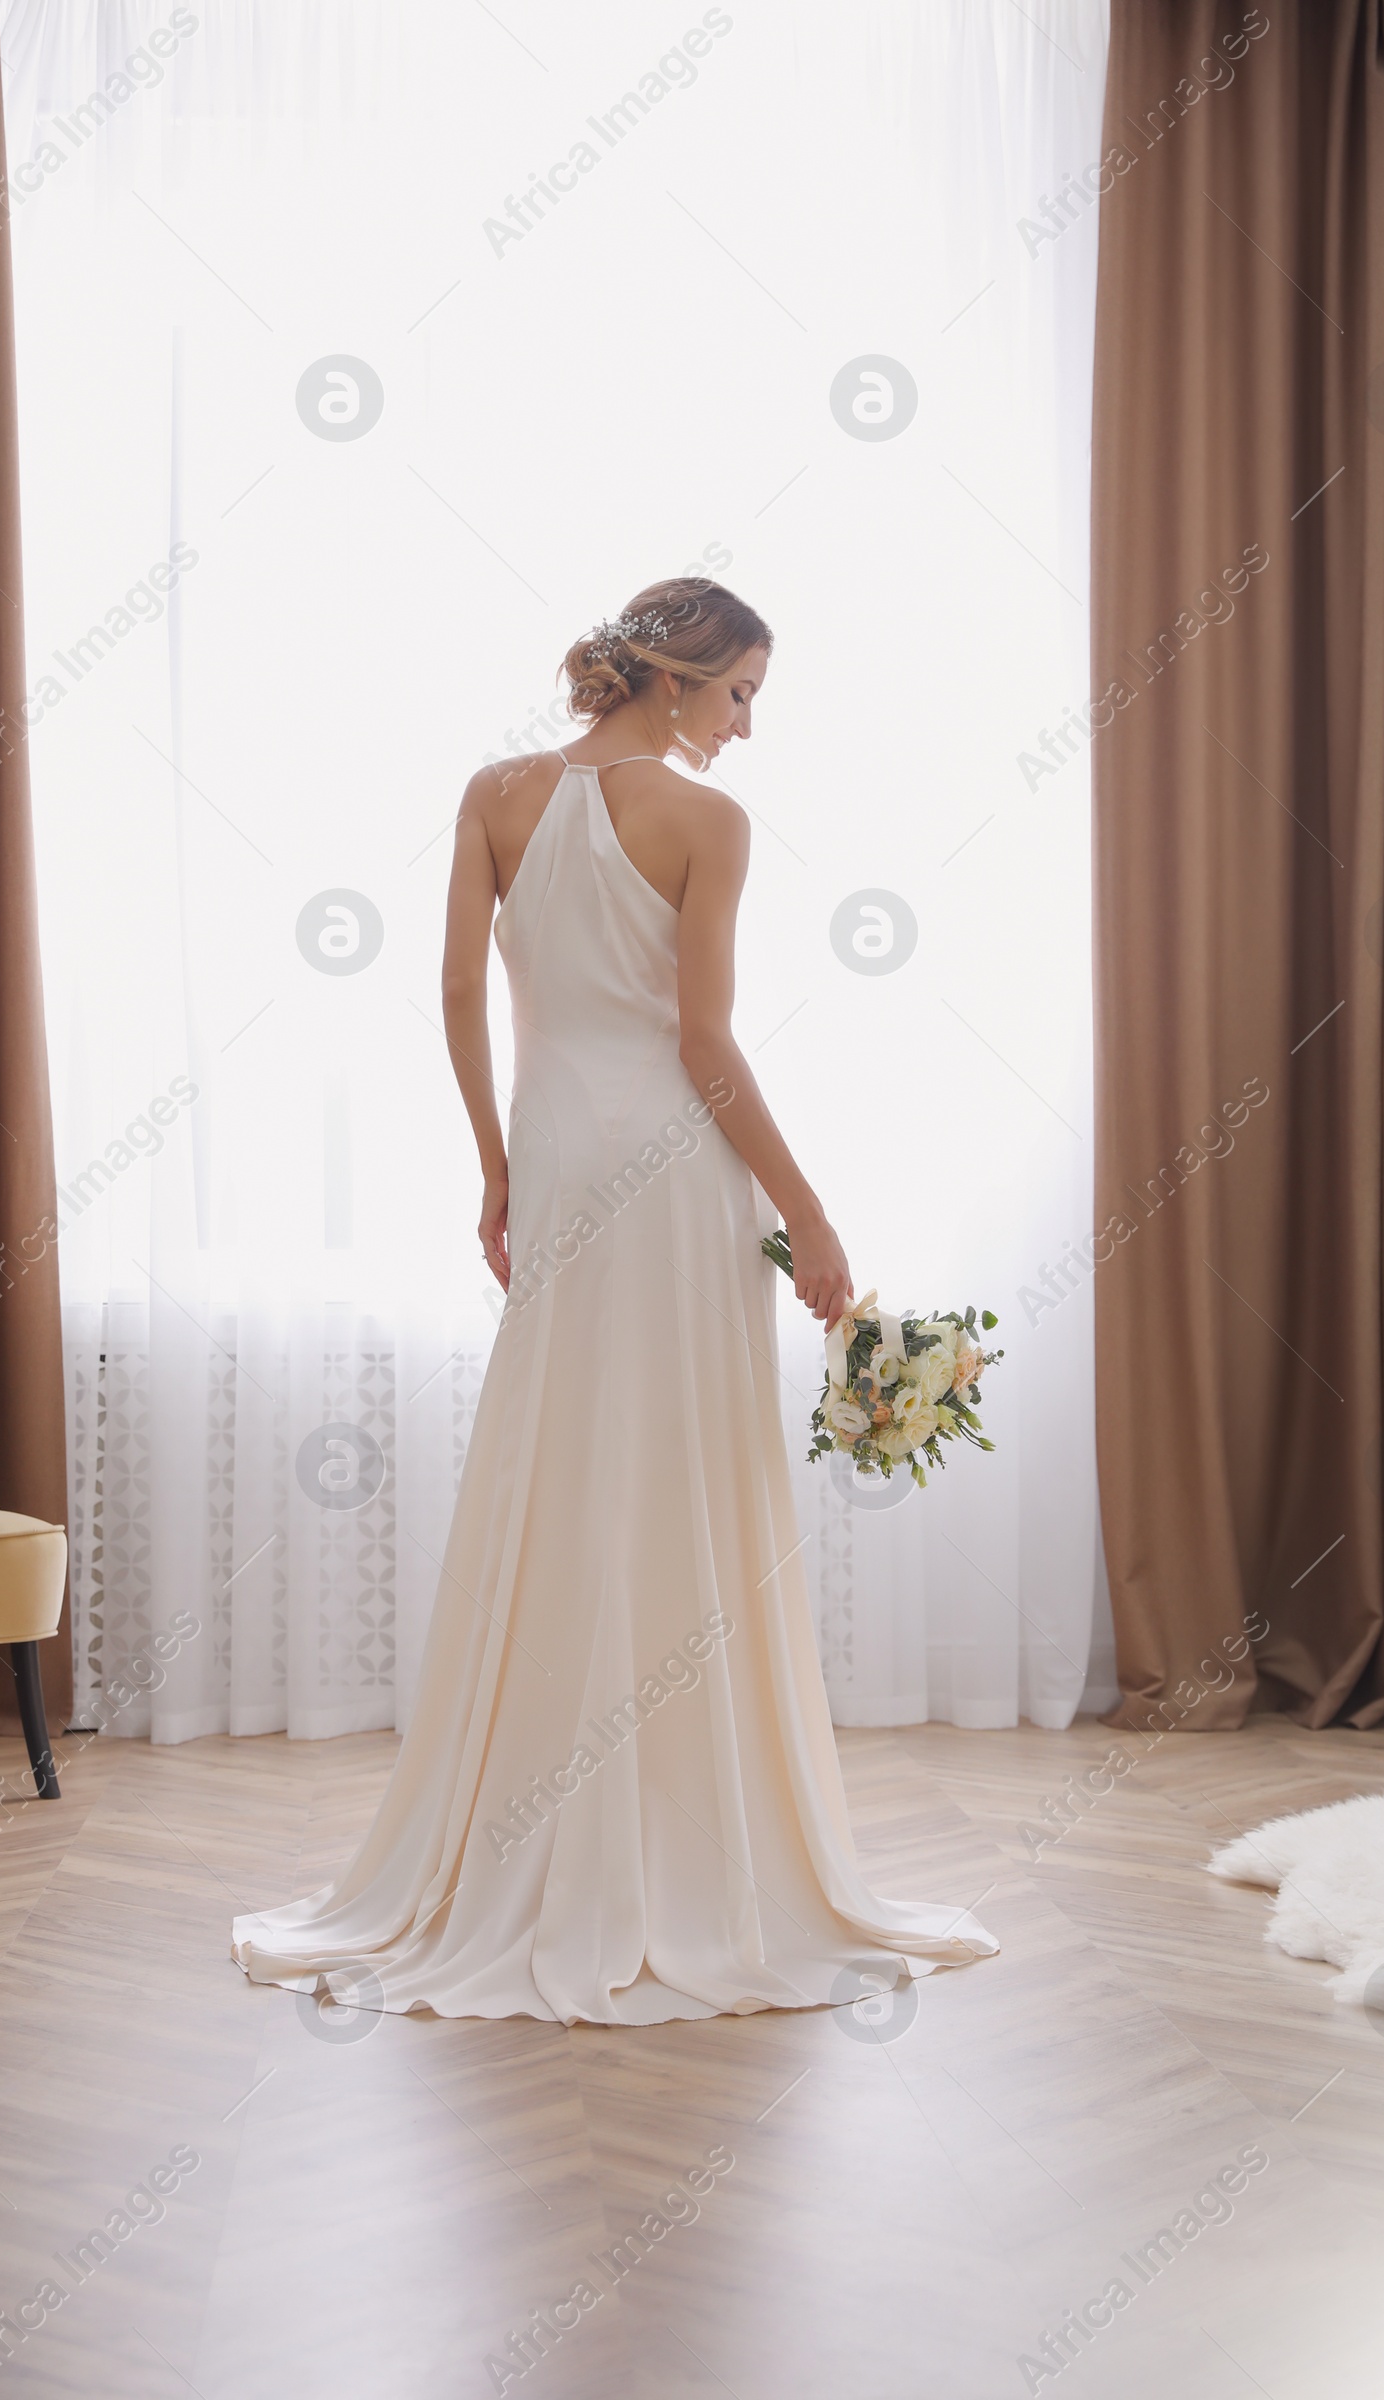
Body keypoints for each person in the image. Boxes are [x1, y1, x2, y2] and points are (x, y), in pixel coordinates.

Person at [232, 578, 997, 2023]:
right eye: (739, 694)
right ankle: (689, 1838)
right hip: (680, 1177)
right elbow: (705, 1044)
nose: (746, 728)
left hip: (566, 1164)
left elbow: (458, 990)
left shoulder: (496, 792)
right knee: (678, 1476)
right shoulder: (708, 824)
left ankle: (528, 1831)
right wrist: (811, 1210)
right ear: (672, 679)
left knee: (563, 1471)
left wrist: (494, 1169)